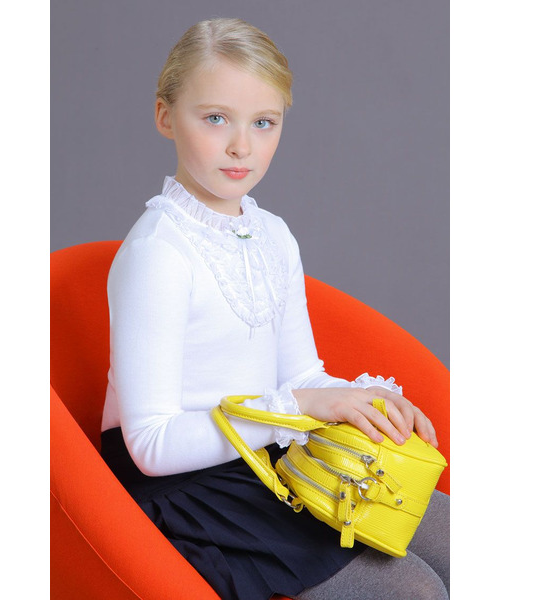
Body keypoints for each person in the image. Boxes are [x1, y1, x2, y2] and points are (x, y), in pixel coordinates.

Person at [100, 17, 449, 600]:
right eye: (216, 118)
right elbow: (152, 446)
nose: (242, 146)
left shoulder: (272, 235)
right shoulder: (158, 253)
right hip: (184, 485)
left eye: (263, 122)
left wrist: (365, 399)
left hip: (264, 449)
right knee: (413, 589)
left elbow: (301, 376)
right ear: (165, 116)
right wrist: (298, 406)